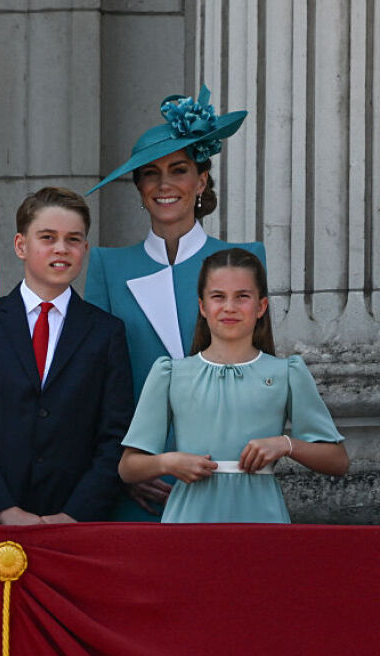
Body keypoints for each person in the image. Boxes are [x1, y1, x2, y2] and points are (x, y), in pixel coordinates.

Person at [84, 85, 266, 520]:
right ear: (139, 186)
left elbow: (259, 371)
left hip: (223, 475)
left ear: (201, 180)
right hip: (139, 484)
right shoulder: (108, 266)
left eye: (179, 170)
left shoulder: (244, 259)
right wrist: (123, 466)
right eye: (150, 173)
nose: (164, 184)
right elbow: (96, 383)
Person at [0, 188, 133, 524]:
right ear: (21, 245)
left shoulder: (106, 333)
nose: (61, 248)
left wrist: (74, 514)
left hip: (76, 523)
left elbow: (114, 437)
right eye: (48, 237)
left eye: (73, 240)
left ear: (85, 249)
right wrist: (4, 510)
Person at [118, 248, 348, 522]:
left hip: (262, 519)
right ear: (203, 307)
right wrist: (169, 462)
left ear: (261, 306)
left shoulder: (287, 373)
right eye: (218, 297)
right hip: (189, 520)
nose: (229, 307)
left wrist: (286, 444)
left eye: (242, 297)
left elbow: (338, 460)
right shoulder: (171, 374)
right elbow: (128, 467)